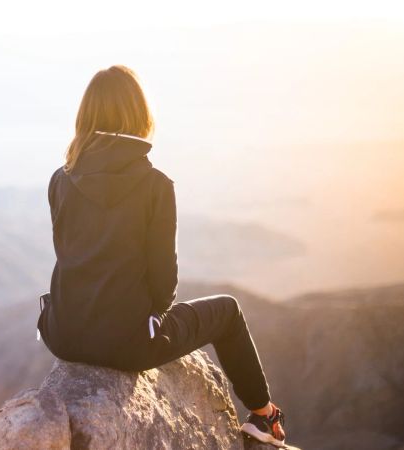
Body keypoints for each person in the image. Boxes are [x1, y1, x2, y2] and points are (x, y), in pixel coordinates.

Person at [36, 65, 287, 447]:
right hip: (128, 344)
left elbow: (68, 255)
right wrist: (146, 319)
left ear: (85, 116)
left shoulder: (60, 178)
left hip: (62, 334)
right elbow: (164, 287)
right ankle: (263, 415)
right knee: (229, 311)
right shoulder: (155, 186)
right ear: (140, 115)